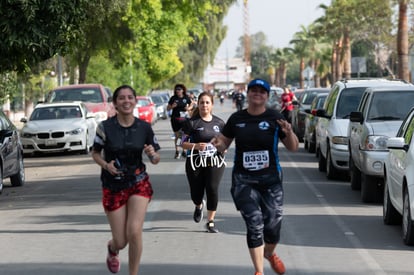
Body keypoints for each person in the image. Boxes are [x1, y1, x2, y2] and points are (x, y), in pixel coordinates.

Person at [211, 79, 299, 275]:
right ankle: (259, 271)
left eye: (262, 91)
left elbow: (293, 147)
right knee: (254, 221)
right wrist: (217, 144)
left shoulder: (275, 118)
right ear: (248, 93)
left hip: (271, 182)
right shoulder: (236, 119)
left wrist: (290, 132)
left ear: (267, 96)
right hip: (244, 181)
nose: (257, 94)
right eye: (254, 90)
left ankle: (269, 253)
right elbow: (223, 143)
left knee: (273, 228)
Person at [91, 85, 161, 275]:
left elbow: (156, 159)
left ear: (135, 101)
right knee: (121, 241)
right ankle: (112, 249)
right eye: (121, 98)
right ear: (115, 103)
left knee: (134, 231)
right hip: (113, 185)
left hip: (138, 181)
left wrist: (152, 154)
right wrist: (106, 165)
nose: (126, 101)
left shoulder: (144, 127)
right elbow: (95, 153)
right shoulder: (105, 127)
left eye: (130, 97)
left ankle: (133, 273)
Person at [181, 92, 226, 233]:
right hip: (195, 161)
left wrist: (222, 148)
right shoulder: (191, 123)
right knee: (196, 193)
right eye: (202, 102)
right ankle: (199, 205)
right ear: (198, 104)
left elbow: (225, 143)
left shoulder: (220, 123)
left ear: (212, 104)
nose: (204, 105)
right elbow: (182, 143)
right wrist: (196, 146)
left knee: (212, 188)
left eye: (207, 102)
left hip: (215, 161)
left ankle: (210, 221)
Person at [167, 84, 192, 159]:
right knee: (177, 136)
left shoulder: (186, 98)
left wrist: (188, 108)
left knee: (184, 135)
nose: (177, 91)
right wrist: (172, 107)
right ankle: (177, 151)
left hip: (184, 119)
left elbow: (191, 105)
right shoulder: (173, 98)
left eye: (179, 89)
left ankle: (184, 151)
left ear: (183, 90)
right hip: (175, 119)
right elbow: (167, 109)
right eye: (176, 89)